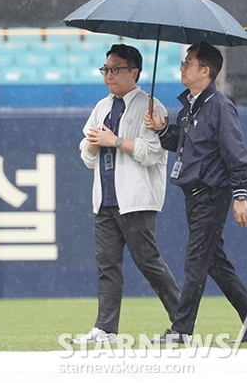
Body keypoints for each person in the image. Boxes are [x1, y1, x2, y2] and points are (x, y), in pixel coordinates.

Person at [144, 42, 247, 344]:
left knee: (195, 260)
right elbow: (185, 144)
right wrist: (163, 129)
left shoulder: (220, 106)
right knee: (215, 263)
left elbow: (236, 153)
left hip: (212, 193)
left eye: (188, 62)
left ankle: (181, 330)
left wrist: (240, 195)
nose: (182, 67)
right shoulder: (190, 106)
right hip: (194, 195)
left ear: (206, 71)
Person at [75, 43, 181, 345]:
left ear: (134, 72)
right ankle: (105, 328)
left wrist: (116, 140)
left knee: (149, 263)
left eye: (115, 69)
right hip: (105, 199)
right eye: (105, 69)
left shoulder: (151, 107)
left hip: (136, 200)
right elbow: (86, 154)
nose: (108, 75)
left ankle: (182, 320)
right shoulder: (102, 107)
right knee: (107, 265)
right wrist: (95, 144)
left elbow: (152, 153)